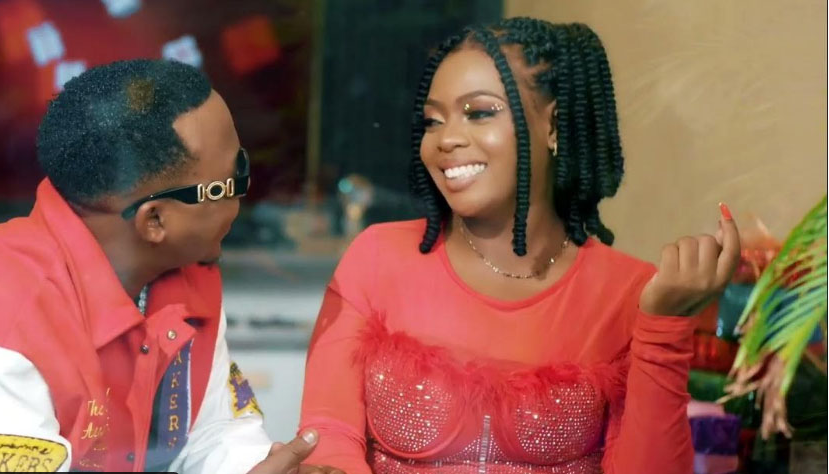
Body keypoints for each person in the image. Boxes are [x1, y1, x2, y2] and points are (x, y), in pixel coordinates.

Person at [0, 59, 332, 474]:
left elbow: (211, 432)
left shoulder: (186, 276)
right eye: (233, 180)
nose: (245, 196)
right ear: (155, 221)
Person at [298, 18, 741, 473]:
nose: (446, 139)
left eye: (479, 112)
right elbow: (328, 435)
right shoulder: (377, 259)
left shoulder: (629, 291)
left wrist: (664, 327)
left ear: (555, 124)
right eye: (433, 120)